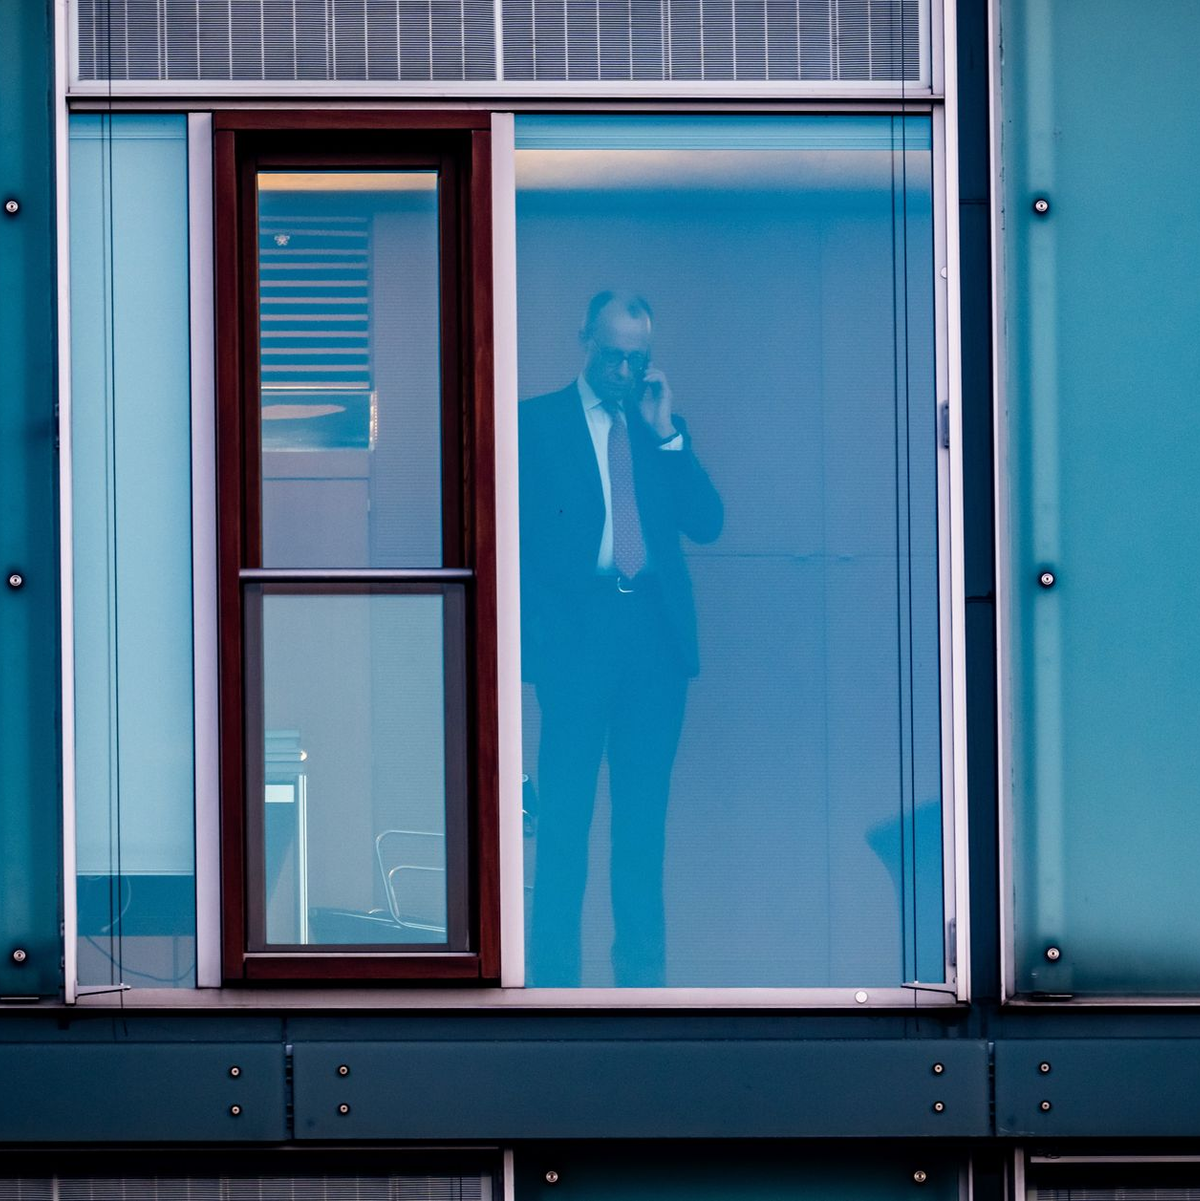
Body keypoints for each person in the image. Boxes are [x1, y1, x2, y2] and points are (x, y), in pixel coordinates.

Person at [519, 291, 723, 987]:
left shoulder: (657, 427)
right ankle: (551, 982)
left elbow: (708, 522)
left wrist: (668, 435)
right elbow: (510, 542)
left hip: (652, 643)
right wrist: (536, 642)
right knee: (567, 820)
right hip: (577, 638)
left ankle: (642, 983)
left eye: (638, 359)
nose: (625, 371)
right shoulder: (536, 423)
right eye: (613, 356)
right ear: (585, 341)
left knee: (642, 823)